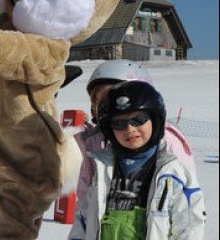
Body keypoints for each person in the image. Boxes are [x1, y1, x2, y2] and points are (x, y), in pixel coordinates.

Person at [68, 81, 205, 240]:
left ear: (155, 119)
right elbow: (85, 219)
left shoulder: (172, 173)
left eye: (139, 119)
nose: (130, 129)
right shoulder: (104, 170)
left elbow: (190, 225)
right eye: (119, 123)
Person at [73, 60, 195, 204]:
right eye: (98, 102)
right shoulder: (92, 142)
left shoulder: (167, 140)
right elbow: (85, 196)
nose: (107, 107)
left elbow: (186, 198)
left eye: (113, 97)